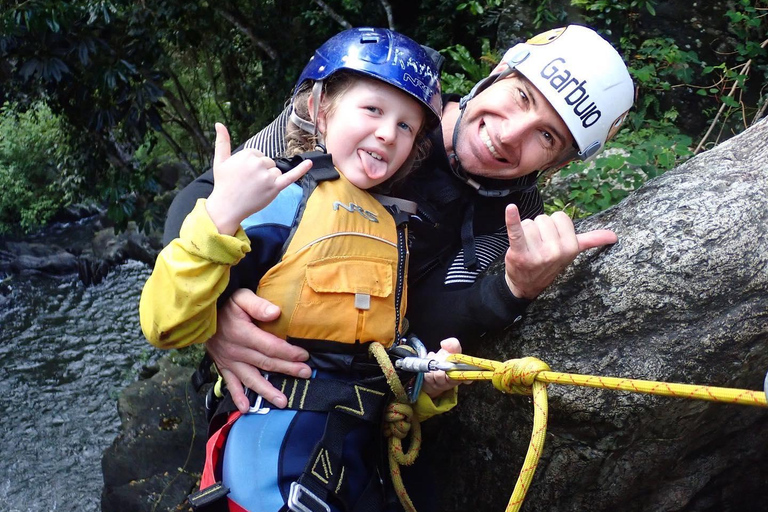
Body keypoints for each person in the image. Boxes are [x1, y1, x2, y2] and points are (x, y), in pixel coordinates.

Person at [163, 25, 635, 415]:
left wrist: (514, 287)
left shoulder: (513, 221)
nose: (509, 136)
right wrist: (215, 315)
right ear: (495, 75)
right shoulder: (380, 102)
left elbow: (424, 320)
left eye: (547, 137)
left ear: (560, 164)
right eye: (521, 97)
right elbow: (207, 198)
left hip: (350, 397)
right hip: (256, 381)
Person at [141, 27, 462, 512]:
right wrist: (220, 215)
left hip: (355, 462)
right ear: (320, 109)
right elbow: (165, 323)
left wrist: (425, 388)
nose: (386, 133)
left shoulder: (393, 228)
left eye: (406, 126)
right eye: (372, 109)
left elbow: (372, 367)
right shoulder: (278, 200)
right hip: (271, 455)